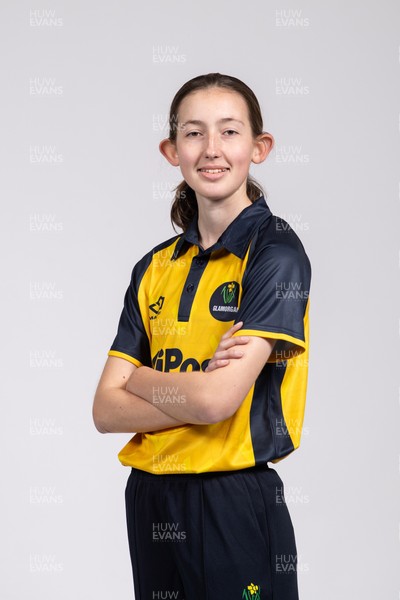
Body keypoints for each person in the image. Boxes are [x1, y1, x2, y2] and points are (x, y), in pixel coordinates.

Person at [93, 72, 311, 600]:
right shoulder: (153, 268)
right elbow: (104, 411)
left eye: (230, 132)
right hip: (150, 495)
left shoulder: (275, 253)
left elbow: (218, 402)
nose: (212, 149)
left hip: (231, 496)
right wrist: (192, 391)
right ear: (172, 150)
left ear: (260, 147)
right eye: (194, 133)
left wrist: (140, 379)